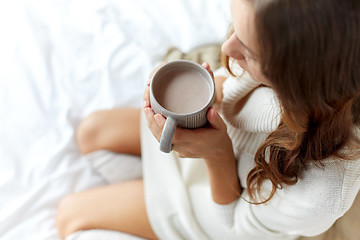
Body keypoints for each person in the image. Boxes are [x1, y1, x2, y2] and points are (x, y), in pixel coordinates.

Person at [56, 0, 360, 239]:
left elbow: (235, 229)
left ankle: (159, 200)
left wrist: (216, 154)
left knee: (70, 216)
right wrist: (203, 89)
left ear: (301, 79)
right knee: (91, 133)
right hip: (214, 145)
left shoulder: (321, 193)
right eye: (235, 29)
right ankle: (151, 187)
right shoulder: (287, 54)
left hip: (225, 208)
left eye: (250, 53)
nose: (227, 50)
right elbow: (231, 80)